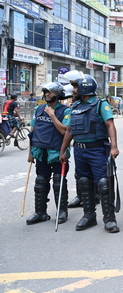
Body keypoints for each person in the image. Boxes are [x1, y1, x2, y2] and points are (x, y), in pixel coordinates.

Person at [59, 71, 120, 233]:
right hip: (79, 150)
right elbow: (70, 130)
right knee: (84, 182)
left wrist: (114, 146)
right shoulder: (76, 107)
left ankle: (109, 219)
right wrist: (63, 150)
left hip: (97, 149)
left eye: (75, 87)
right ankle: (89, 216)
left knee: (104, 184)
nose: (73, 90)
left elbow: (110, 125)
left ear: (85, 88)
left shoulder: (101, 105)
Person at [26, 83, 71, 225]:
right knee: (40, 182)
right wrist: (30, 152)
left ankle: (62, 211)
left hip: (57, 152)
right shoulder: (39, 109)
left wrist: (52, 116)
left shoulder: (65, 111)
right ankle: (40, 212)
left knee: (59, 182)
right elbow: (33, 131)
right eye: (45, 92)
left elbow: (65, 131)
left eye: (50, 92)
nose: (47, 95)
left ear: (57, 95)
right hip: (41, 151)